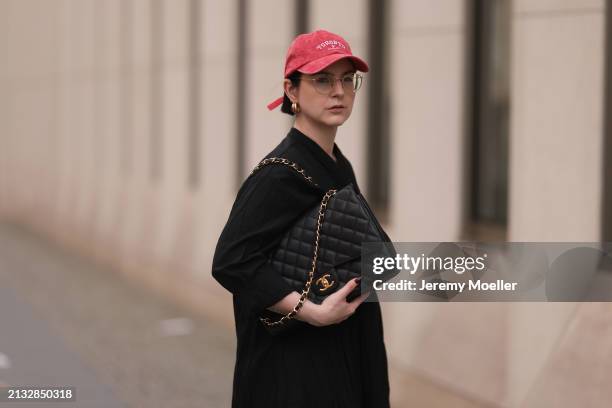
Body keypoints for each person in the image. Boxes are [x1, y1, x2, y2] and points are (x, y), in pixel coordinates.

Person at [212, 29, 390, 408]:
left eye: (347, 79)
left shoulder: (336, 163)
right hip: (295, 369)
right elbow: (231, 261)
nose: (338, 91)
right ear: (291, 91)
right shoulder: (280, 174)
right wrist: (312, 312)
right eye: (322, 80)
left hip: (341, 351)